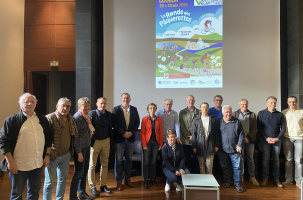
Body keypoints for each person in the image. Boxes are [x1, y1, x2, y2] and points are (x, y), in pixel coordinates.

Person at [0, 93, 52, 200]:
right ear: (20, 104)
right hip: (19, 166)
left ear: (35, 104)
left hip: (37, 164)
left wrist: (47, 155)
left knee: (34, 193)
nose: (29, 104)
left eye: (32, 102)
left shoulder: (42, 119)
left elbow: (48, 138)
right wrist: (10, 162)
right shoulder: (11, 121)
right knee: (17, 195)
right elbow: (4, 142)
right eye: (26, 101)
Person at [43, 97, 78, 200]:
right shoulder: (50, 118)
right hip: (52, 155)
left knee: (62, 180)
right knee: (49, 182)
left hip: (66, 155)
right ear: (57, 106)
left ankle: (60, 198)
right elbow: (45, 138)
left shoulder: (71, 119)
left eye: (68, 106)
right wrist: (46, 155)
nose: (65, 108)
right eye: (63, 106)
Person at [112, 93, 140, 191]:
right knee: (119, 161)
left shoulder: (134, 109)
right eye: (124, 98)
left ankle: (127, 179)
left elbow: (137, 122)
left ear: (130, 100)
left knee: (129, 160)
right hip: (119, 139)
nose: (125, 100)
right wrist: (123, 133)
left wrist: (131, 133)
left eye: (127, 98)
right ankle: (119, 181)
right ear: (121, 100)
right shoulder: (116, 109)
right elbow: (114, 124)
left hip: (130, 139)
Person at [257, 96, 285, 188]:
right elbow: (259, 128)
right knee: (265, 159)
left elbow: (283, 128)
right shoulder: (261, 113)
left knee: (276, 159)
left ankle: (277, 179)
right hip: (266, 141)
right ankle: (265, 179)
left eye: (275, 102)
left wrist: (277, 138)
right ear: (267, 103)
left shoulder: (280, 114)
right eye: (271, 102)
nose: (273, 104)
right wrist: (266, 138)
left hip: (277, 141)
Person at [70, 97, 94, 200]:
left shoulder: (86, 117)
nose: (87, 107)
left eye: (88, 105)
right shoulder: (77, 118)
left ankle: (82, 193)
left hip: (87, 147)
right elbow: (75, 137)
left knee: (84, 172)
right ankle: (73, 196)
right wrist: (79, 152)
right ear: (79, 106)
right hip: (80, 149)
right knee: (78, 173)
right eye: (85, 106)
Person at [88, 97, 113, 196]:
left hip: (106, 141)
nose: (103, 105)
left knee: (105, 164)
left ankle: (103, 185)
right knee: (92, 165)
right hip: (95, 142)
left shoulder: (109, 115)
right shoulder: (92, 114)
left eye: (104, 103)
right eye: (101, 103)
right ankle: (92, 187)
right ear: (97, 104)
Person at [217, 105, 244, 193]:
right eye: (226, 112)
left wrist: (239, 145)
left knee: (237, 167)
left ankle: (237, 184)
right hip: (222, 150)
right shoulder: (218, 122)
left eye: (230, 112)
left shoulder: (236, 121)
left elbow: (241, 134)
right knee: (225, 167)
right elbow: (215, 135)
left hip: (235, 149)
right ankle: (228, 181)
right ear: (222, 113)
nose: (228, 114)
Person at [232, 99, 259, 186]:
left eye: (246, 104)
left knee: (251, 159)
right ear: (239, 105)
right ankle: (241, 176)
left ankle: (252, 177)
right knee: (241, 159)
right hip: (239, 141)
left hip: (250, 140)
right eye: (243, 104)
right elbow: (233, 128)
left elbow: (255, 128)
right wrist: (241, 138)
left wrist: (248, 137)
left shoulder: (252, 114)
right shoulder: (234, 114)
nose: (244, 106)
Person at [281, 96, 303, 188]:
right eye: (290, 102)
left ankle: (299, 180)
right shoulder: (284, 112)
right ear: (287, 102)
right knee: (288, 160)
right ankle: (289, 180)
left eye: (294, 102)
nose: (292, 103)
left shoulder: (301, 112)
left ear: (296, 102)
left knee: (299, 161)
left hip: (299, 138)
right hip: (287, 138)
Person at [192, 102, 219, 174]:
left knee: (209, 165)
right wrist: (194, 146)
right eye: (203, 107)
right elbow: (194, 133)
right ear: (200, 109)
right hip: (200, 144)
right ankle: (203, 182)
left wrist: (216, 145)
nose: (205, 109)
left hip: (210, 144)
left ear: (208, 109)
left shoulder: (213, 119)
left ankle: (209, 182)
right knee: (201, 165)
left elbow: (216, 133)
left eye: (206, 107)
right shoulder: (196, 120)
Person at [140, 103, 163, 189]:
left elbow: (161, 131)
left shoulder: (159, 119)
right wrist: (144, 144)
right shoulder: (145, 119)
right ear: (148, 110)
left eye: (154, 108)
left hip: (156, 143)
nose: (152, 109)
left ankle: (152, 179)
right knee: (146, 162)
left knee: (153, 162)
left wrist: (160, 144)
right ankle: (145, 180)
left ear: (156, 109)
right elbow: (142, 133)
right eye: (150, 108)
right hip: (147, 143)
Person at [179, 95, 200, 174]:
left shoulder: (199, 112)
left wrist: (193, 137)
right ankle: (188, 176)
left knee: (196, 159)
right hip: (186, 140)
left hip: (197, 140)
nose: (191, 101)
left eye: (192, 100)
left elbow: (200, 126)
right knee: (187, 159)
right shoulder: (182, 112)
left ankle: (196, 176)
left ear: (194, 101)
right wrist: (188, 136)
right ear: (186, 101)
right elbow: (181, 125)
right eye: (189, 100)